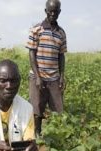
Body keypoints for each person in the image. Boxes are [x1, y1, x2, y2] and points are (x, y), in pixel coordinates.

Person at [26, 0, 67, 136]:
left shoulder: (61, 33)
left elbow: (61, 56)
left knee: (58, 108)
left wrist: (61, 76)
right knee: (36, 107)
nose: (52, 14)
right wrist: (38, 77)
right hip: (37, 76)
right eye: (50, 11)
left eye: (56, 11)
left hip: (54, 77)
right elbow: (31, 52)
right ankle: (37, 133)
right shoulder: (36, 29)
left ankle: (55, 135)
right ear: (46, 11)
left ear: (59, 12)